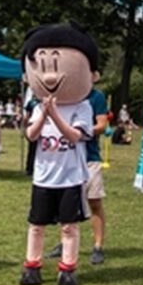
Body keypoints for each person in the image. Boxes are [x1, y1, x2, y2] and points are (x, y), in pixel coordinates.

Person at [18, 21, 96, 285]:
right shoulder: (39, 105)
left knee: (68, 226)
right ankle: (32, 265)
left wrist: (55, 117)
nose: (50, 77)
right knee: (36, 224)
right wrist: (43, 115)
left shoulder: (82, 106)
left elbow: (76, 136)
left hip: (70, 176)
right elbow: (31, 135)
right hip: (44, 176)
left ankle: (68, 268)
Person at [47, 88, 109, 265]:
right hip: (68, 157)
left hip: (90, 157)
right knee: (66, 203)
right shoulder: (63, 95)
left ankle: (98, 246)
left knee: (94, 201)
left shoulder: (95, 96)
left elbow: (103, 125)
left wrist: (80, 132)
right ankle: (63, 243)